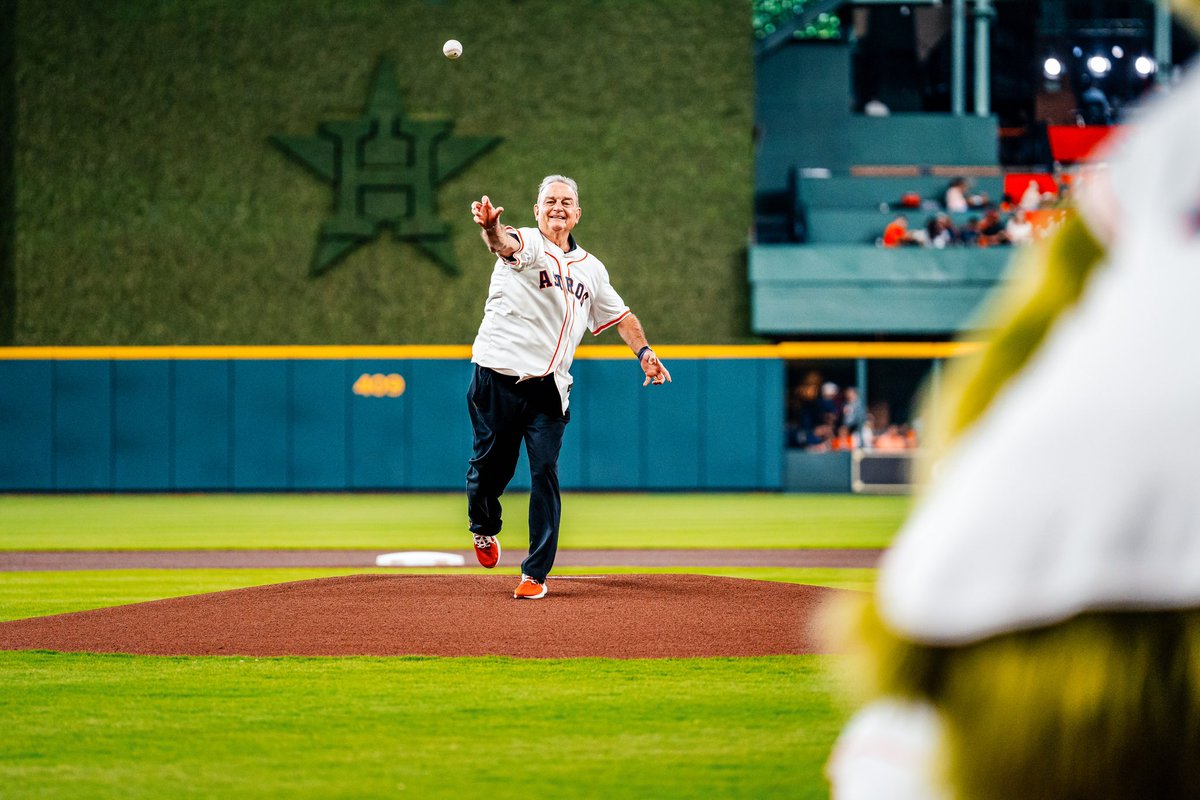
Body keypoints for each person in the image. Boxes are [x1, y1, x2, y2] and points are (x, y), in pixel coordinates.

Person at [827, 21, 1200, 797]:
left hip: (1018, 584)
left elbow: (1015, 356)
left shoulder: (1169, 141)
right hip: (1034, 585)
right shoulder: (1170, 143)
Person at [466, 175, 671, 600]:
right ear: (536, 210)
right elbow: (503, 244)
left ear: (577, 213)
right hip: (497, 378)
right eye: (550, 201)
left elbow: (623, 317)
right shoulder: (527, 243)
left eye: (567, 201)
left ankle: (534, 574)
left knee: (544, 472)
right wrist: (489, 227)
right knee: (491, 469)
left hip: (549, 389)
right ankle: (483, 527)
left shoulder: (592, 270)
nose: (558, 207)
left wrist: (645, 351)